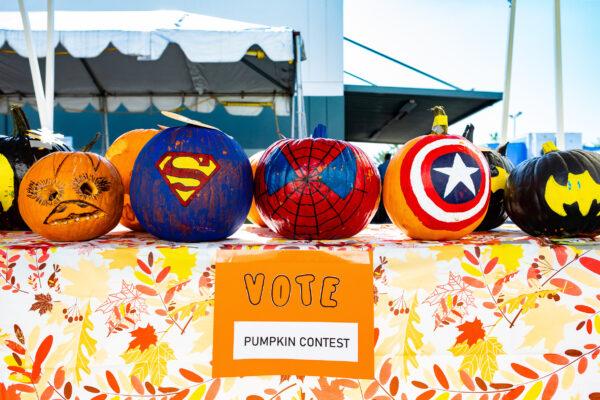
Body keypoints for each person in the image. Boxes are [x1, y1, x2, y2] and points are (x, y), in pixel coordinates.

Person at [372, 153, 391, 224]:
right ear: (390, 158)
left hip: (382, 188)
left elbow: (377, 178)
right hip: (390, 188)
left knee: (382, 204)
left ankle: (381, 220)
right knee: (390, 204)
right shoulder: (392, 166)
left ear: (385, 158)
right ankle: (388, 220)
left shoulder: (381, 166)